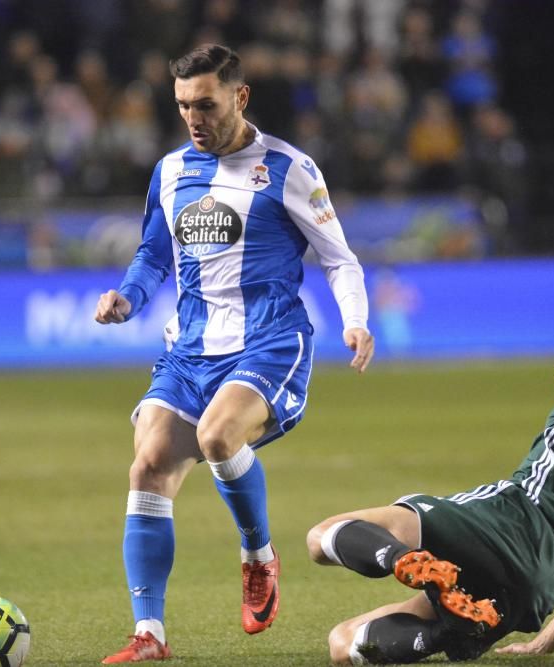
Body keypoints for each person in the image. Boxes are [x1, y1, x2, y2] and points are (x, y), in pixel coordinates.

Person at [94, 44, 374, 663]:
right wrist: (129, 299)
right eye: (183, 105)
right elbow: (153, 255)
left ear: (240, 97)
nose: (194, 117)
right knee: (147, 471)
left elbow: (337, 256)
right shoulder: (170, 172)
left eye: (206, 103)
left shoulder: (289, 168)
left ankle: (258, 556)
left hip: (270, 341)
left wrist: (355, 321)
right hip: (190, 350)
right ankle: (150, 636)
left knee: (220, 437)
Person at [307, 289, 554, 664]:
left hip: (515, 521)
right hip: (541, 584)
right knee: (345, 645)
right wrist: (544, 643)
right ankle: (442, 633)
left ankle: (403, 560)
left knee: (321, 537)